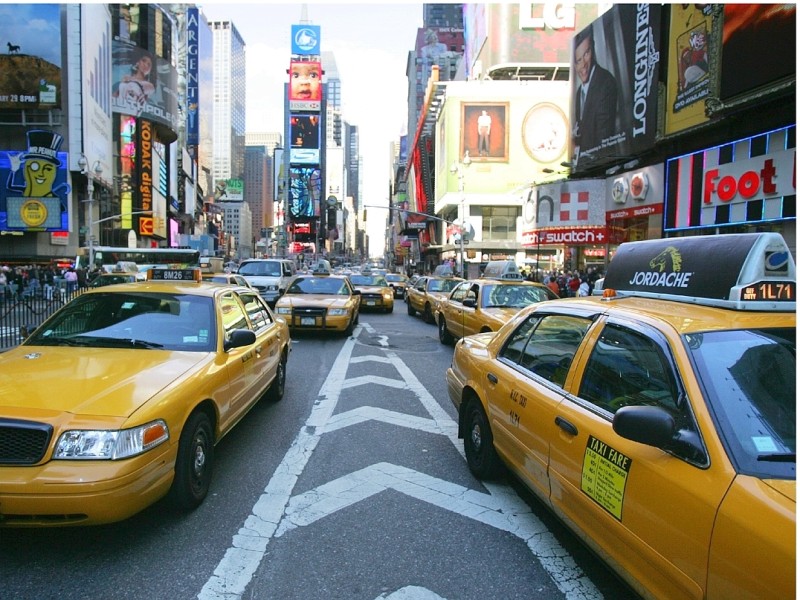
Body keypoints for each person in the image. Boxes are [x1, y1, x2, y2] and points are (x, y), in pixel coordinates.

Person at [572, 27, 618, 159]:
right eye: (578, 61)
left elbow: (604, 138)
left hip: (600, 166)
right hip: (585, 167)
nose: (583, 65)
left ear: (593, 48)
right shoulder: (578, 93)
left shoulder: (606, 82)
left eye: (586, 54)